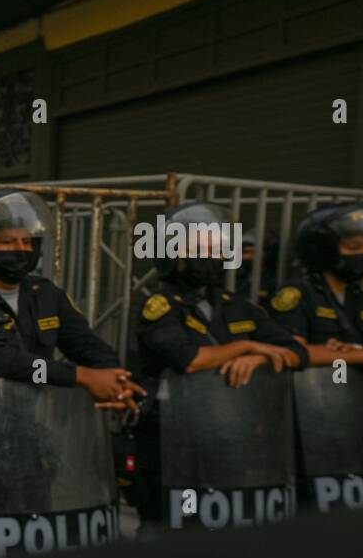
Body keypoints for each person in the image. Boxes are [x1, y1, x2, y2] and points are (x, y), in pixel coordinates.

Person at [0, 189, 142, 558]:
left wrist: (112, 377)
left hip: (29, 449)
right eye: (7, 241)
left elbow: (88, 346)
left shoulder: (46, 295)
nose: (20, 248)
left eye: (28, 241)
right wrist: (81, 377)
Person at [129, 200, 310, 527]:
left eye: (217, 248)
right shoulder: (158, 307)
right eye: (200, 247)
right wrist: (246, 346)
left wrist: (257, 358)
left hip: (228, 437)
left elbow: (296, 351)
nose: (210, 256)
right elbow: (190, 359)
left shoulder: (236, 306)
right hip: (170, 443)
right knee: (171, 533)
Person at [266, 203, 363, 375]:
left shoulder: (359, 298)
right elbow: (290, 351)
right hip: (310, 394)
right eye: (354, 247)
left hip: (353, 394)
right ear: (323, 248)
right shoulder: (296, 294)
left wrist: (358, 350)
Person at [233, 228, 280, 305]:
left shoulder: (277, 281)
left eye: (252, 252)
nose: (246, 257)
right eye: (244, 252)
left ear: (268, 254)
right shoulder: (235, 277)